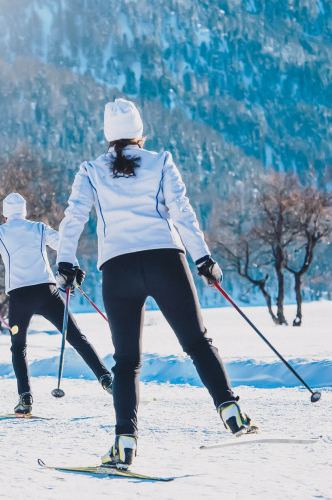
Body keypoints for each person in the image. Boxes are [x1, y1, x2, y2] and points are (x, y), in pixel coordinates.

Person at [55, 98, 257, 468]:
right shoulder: (161, 160)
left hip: (118, 269)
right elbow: (182, 210)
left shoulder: (90, 171)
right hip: (166, 261)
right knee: (197, 341)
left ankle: (125, 444)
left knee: (127, 361)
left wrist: (65, 263)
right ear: (139, 133)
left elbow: (74, 218)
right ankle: (231, 411)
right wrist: (203, 259)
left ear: (107, 137)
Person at [0, 193, 113, 415]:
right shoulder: (38, 228)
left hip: (20, 296)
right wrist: (73, 267)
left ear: (6, 214)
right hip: (47, 291)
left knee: (19, 347)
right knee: (76, 336)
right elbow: (63, 245)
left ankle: (25, 398)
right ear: (24, 211)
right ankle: (106, 379)